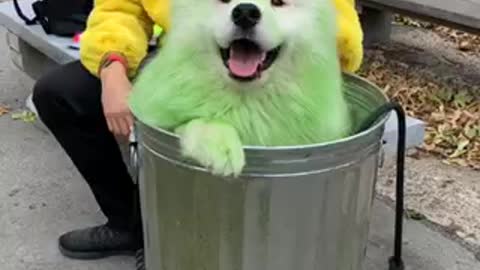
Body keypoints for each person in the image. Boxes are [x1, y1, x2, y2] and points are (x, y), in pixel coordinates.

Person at [32, 0, 364, 266]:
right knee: (58, 93)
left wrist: (328, 62)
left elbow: (335, 24)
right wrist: (113, 67)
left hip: (286, 70)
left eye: (276, 2)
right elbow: (121, 9)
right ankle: (133, 224)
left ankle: (270, 238)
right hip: (181, 55)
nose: (247, 9)